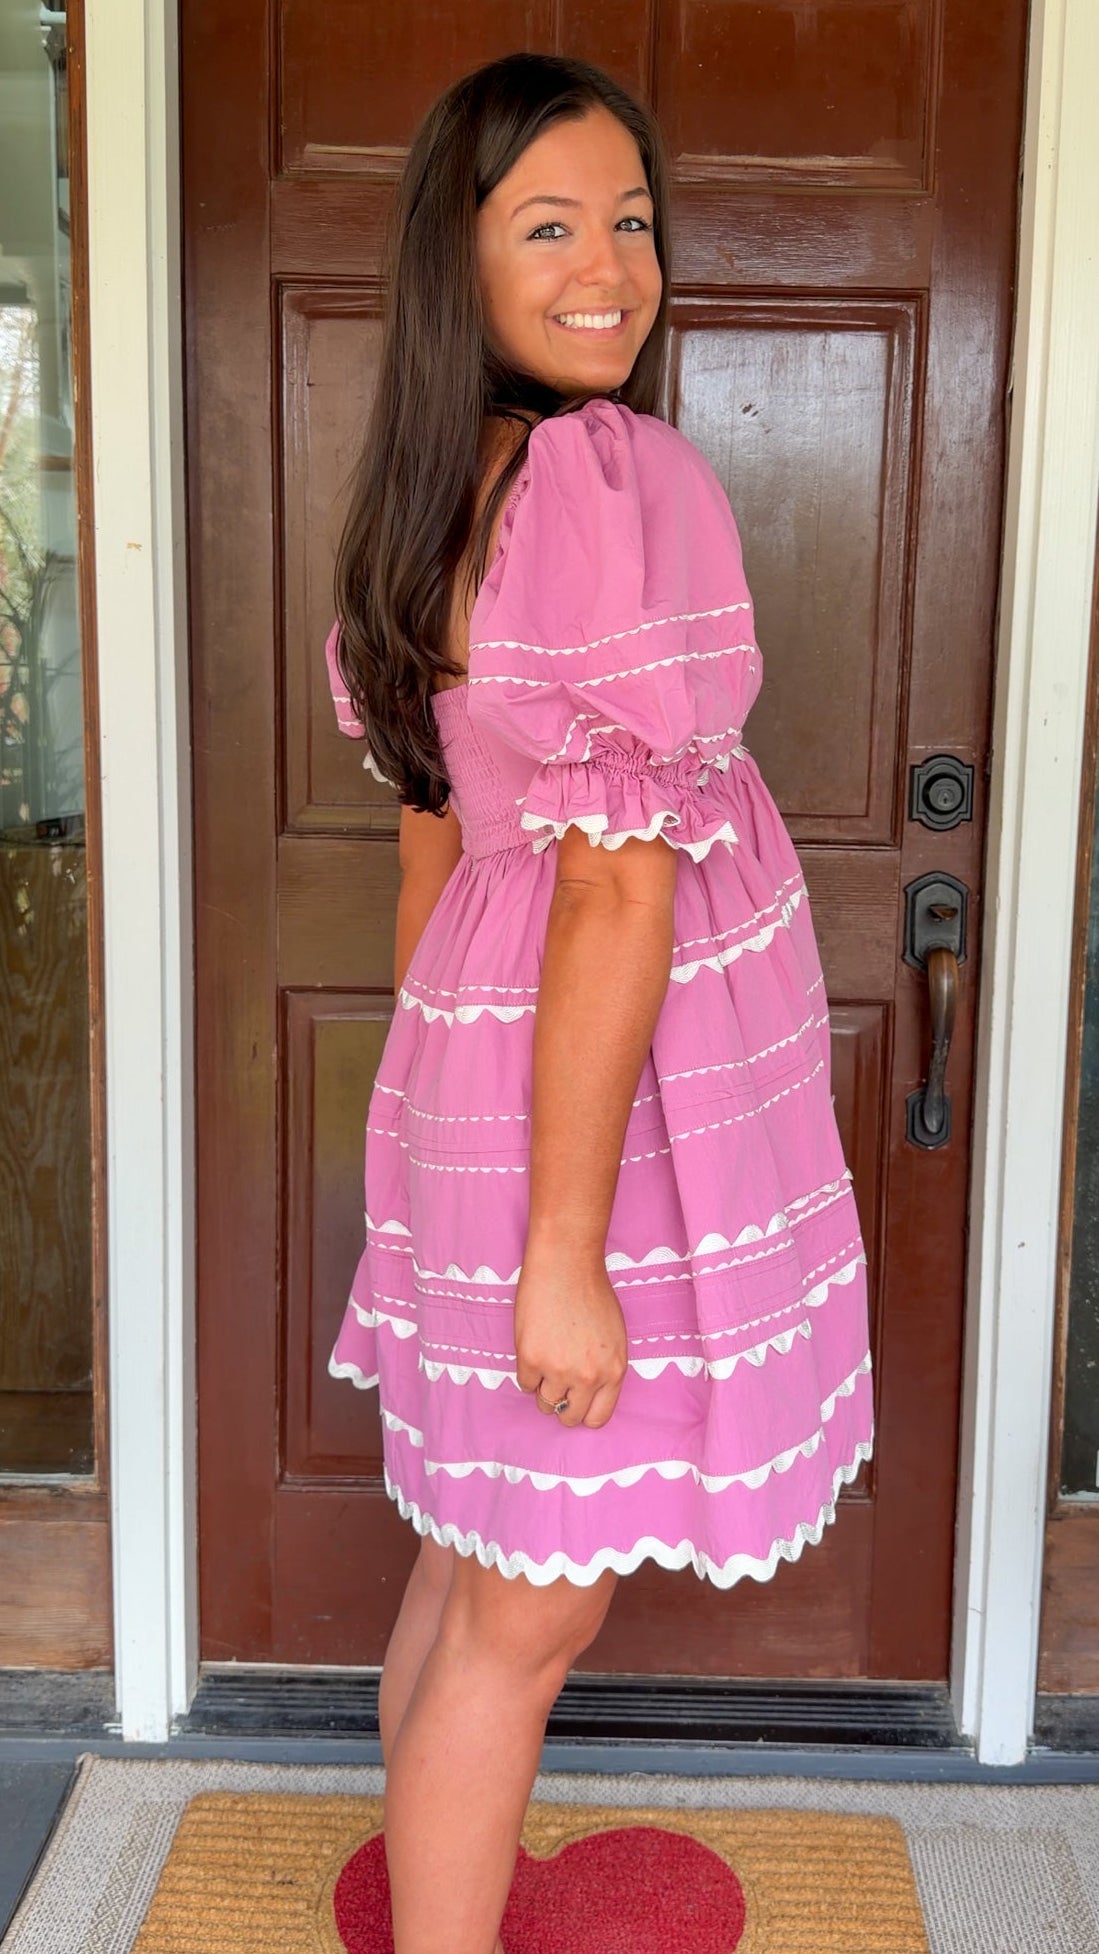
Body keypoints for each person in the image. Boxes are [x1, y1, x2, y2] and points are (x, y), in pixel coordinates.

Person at [323, 50, 873, 1954]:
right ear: (453, 263)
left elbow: (429, 849)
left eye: (629, 220)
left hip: (487, 1087)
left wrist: (433, 1151)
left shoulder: (436, 488)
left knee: (475, 1562)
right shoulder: (593, 471)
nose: (609, 265)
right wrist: (560, 1244)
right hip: (594, 1112)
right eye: (548, 224)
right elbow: (620, 875)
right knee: (526, 1611)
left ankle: (435, 1895)